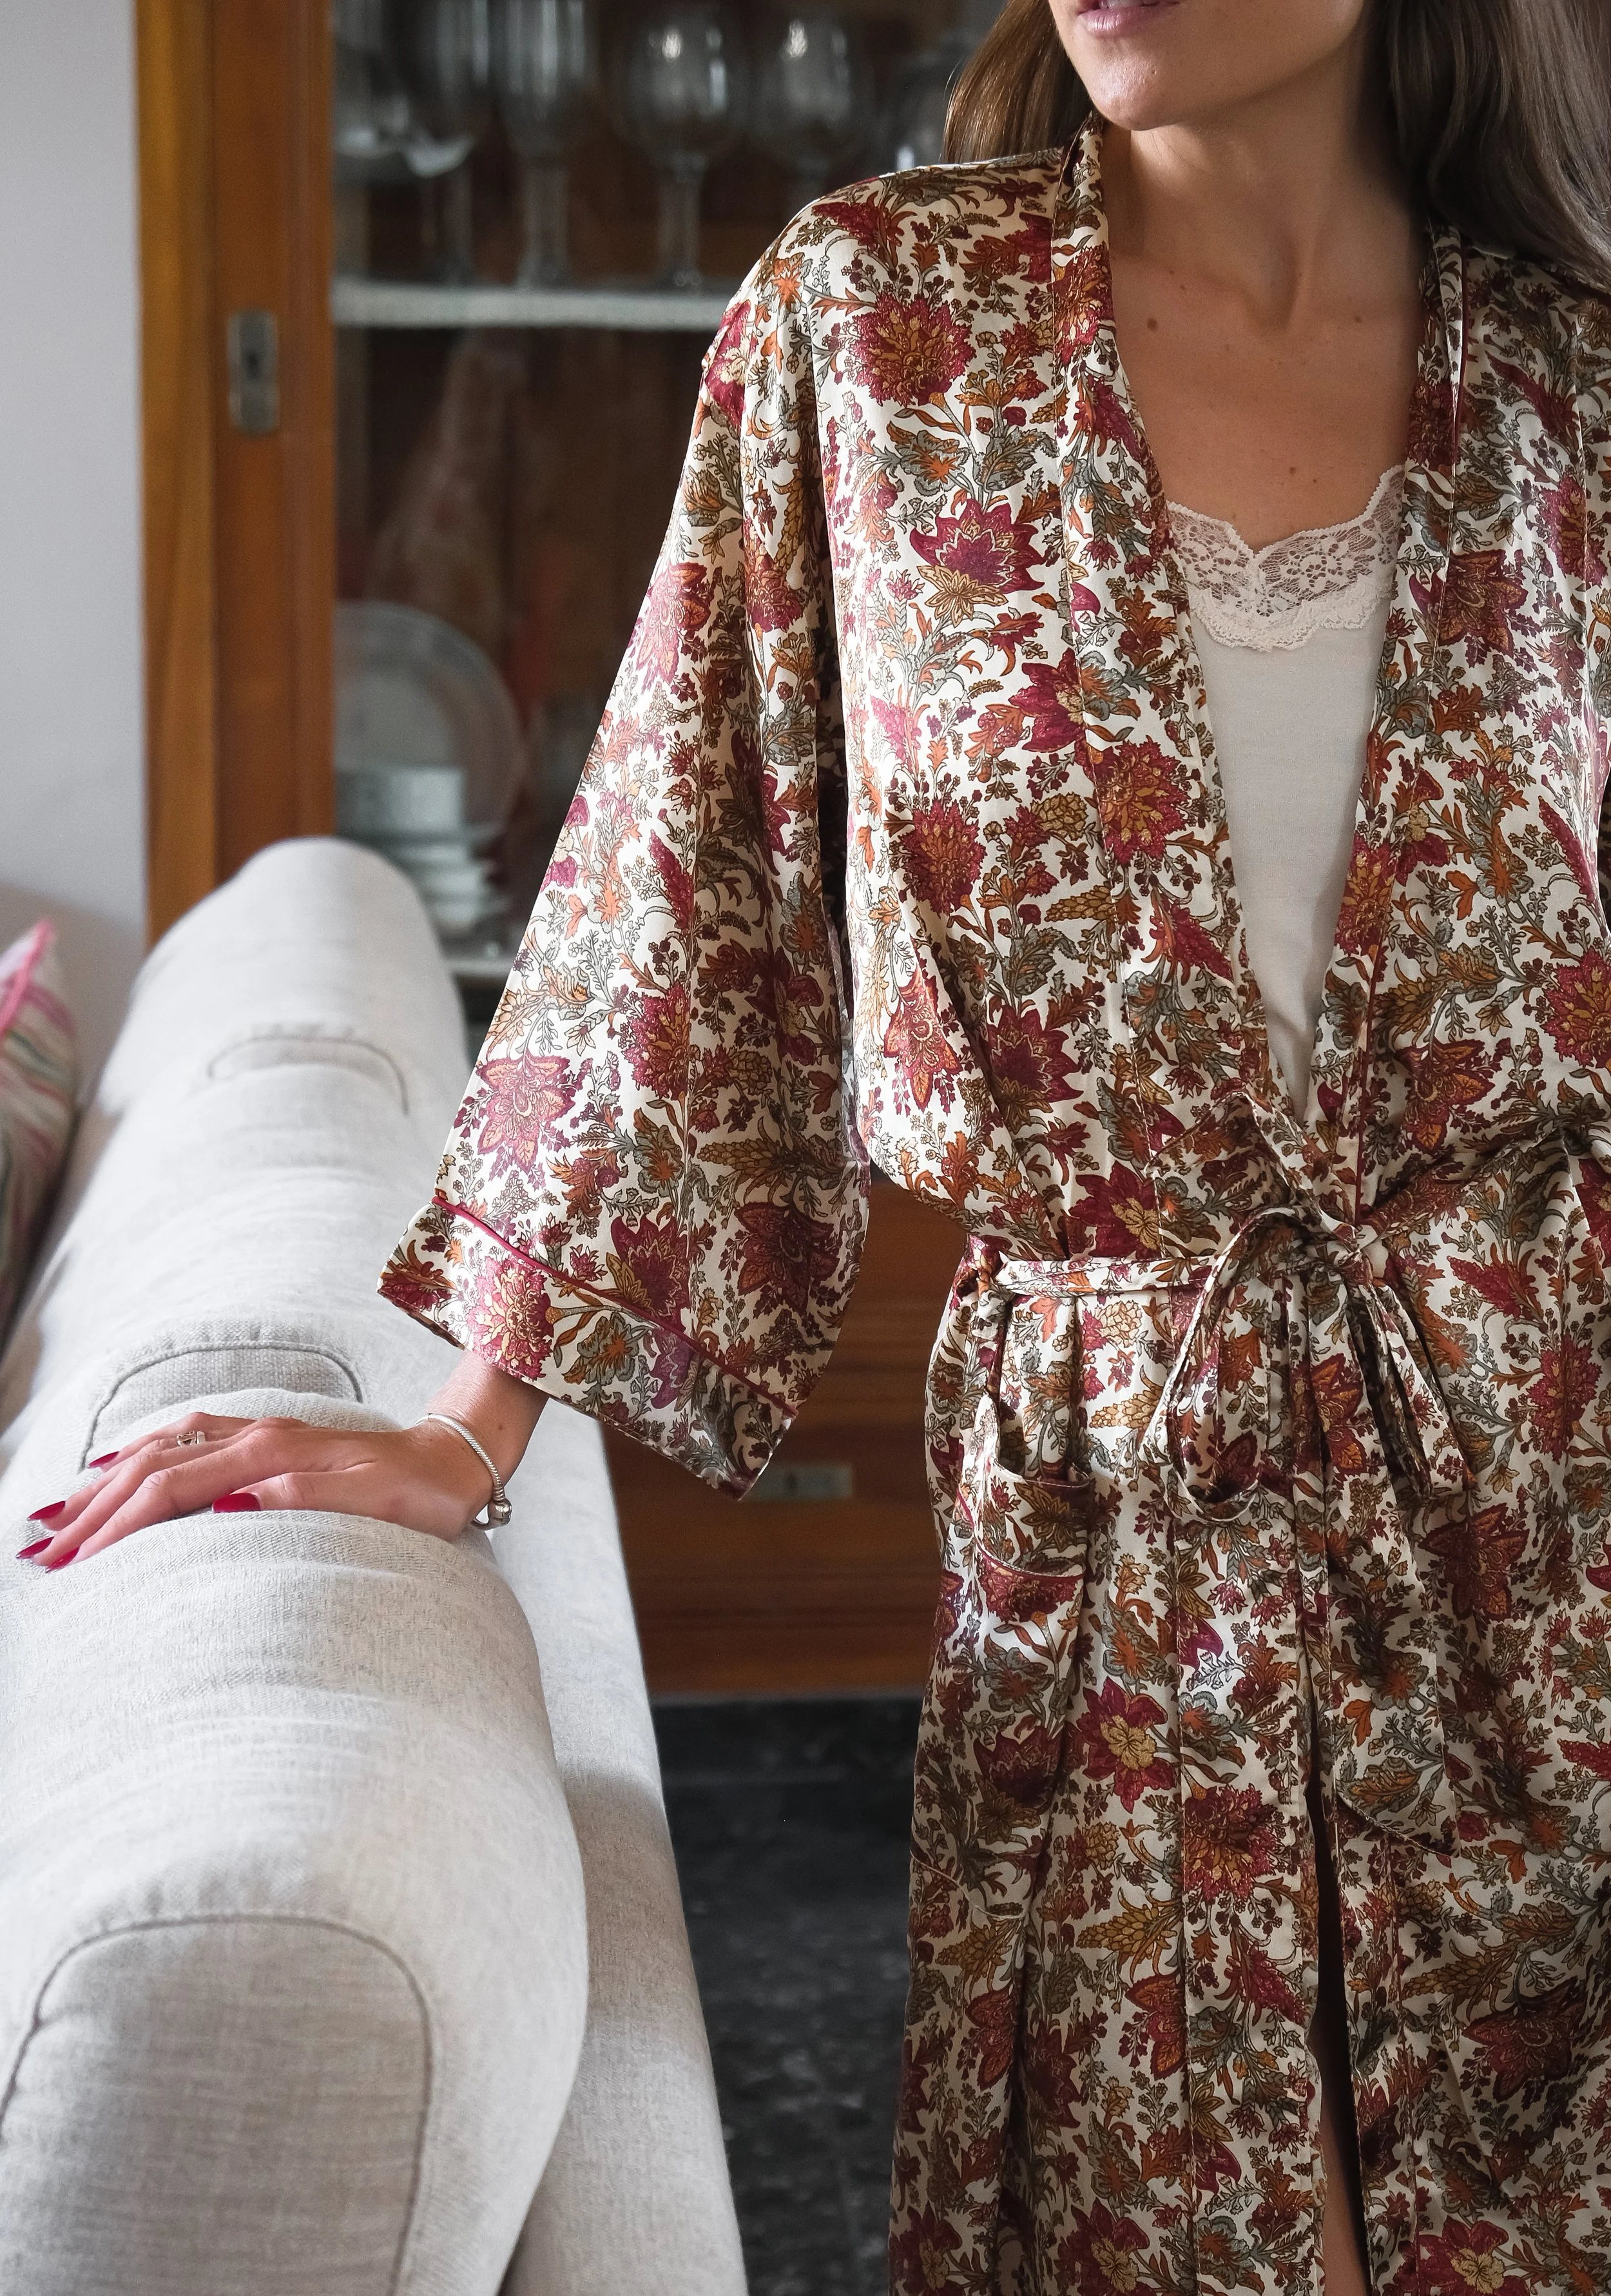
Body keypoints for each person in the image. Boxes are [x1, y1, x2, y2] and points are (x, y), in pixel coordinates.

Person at [24, 1, 1611, 2288]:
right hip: (1115, 1505)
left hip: (1539, 1493)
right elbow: (691, 882)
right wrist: (462, 1429)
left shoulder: (1566, 396)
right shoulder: (874, 334)